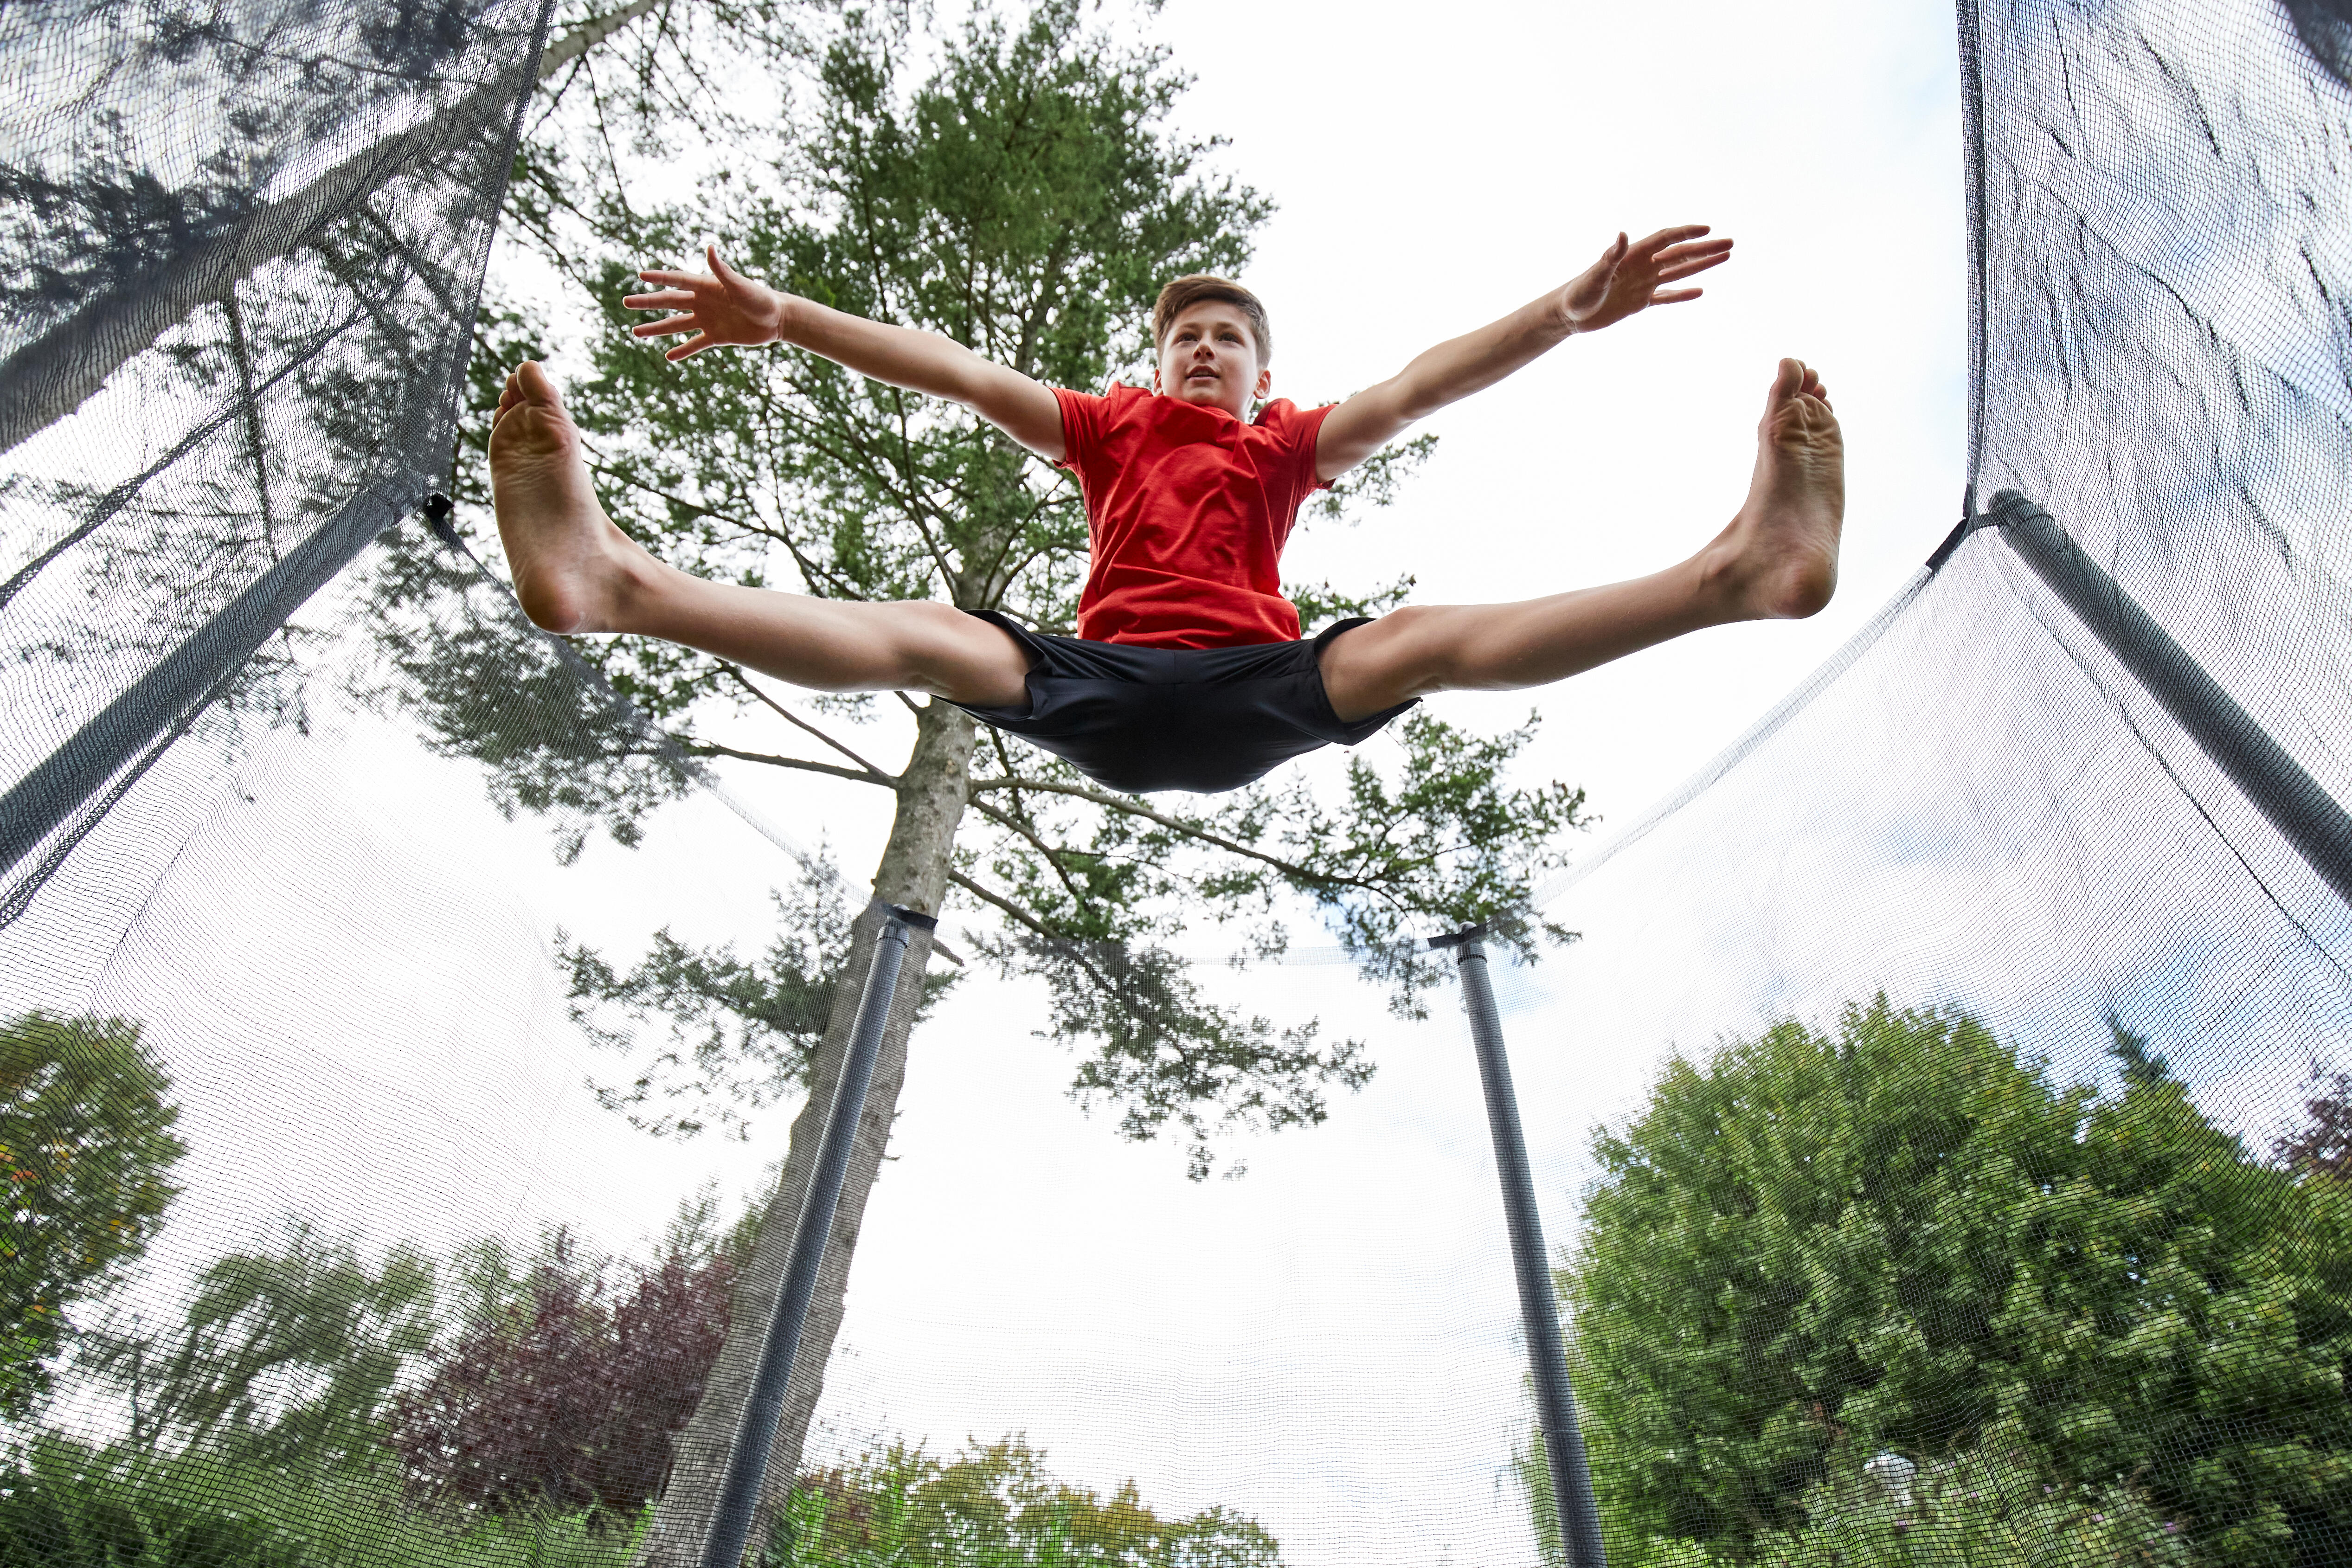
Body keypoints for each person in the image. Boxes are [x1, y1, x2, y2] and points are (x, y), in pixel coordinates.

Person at [488, 226, 1843, 794]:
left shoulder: (1287, 448)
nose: (1203, 348)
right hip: (1107, 684)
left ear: (1265, 376)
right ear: (1155, 361)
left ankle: (1742, 574)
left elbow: (1427, 383)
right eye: (1185, 334)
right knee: (926, 630)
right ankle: (618, 587)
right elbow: (959, 373)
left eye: (1227, 339)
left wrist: (1565, 310)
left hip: (1257, 682)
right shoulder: (1107, 427)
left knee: (1419, 635)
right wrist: (790, 321)